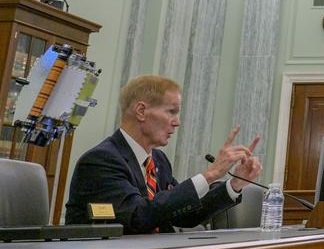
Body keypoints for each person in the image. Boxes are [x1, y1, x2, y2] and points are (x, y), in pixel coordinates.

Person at [64, 75, 263, 234]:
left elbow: (184, 215)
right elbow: (139, 216)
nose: (177, 122)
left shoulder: (158, 160)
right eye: (171, 112)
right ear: (141, 111)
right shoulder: (100, 161)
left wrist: (235, 184)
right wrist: (211, 174)